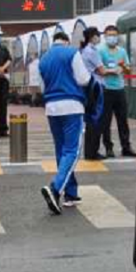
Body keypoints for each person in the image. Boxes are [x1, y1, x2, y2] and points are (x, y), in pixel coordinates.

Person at [39, 32, 91, 214]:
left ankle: (71, 192)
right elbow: (84, 79)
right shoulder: (71, 53)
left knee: (61, 150)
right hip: (72, 106)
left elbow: (42, 88)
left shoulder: (43, 59)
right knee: (72, 151)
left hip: (51, 108)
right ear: (67, 40)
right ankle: (55, 188)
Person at [97, 25, 136, 158]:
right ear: (105, 36)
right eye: (109, 35)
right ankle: (108, 147)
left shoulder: (122, 51)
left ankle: (126, 147)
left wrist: (123, 67)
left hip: (120, 89)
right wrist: (111, 71)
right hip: (106, 89)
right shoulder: (100, 50)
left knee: (123, 120)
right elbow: (100, 70)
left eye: (114, 35)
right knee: (106, 121)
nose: (112, 37)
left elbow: (128, 70)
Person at [80, 27, 109, 161]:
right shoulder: (92, 51)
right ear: (92, 37)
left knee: (91, 119)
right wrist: (116, 70)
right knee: (96, 119)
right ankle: (93, 152)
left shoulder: (84, 50)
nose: (99, 37)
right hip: (96, 87)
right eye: (98, 35)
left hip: (89, 88)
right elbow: (102, 71)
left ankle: (89, 151)